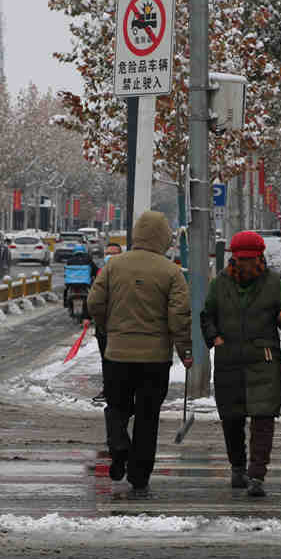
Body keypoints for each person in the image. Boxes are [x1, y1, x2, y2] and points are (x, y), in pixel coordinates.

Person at [87, 211, 193, 499]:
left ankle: (118, 442)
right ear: (162, 238)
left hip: (117, 354)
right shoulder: (171, 271)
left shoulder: (113, 266)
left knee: (117, 406)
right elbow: (179, 317)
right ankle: (139, 475)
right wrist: (185, 351)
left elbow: (94, 302)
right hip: (154, 359)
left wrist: (109, 327)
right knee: (148, 417)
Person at [200, 231, 281, 498]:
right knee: (231, 417)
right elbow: (207, 314)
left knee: (263, 419)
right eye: (241, 258)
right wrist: (213, 337)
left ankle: (257, 475)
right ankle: (237, 467)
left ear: (260, 257)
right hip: (228, 358)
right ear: (233, 257)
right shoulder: (220, 283)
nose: (245, 264)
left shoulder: (277, 283)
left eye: (251, 259)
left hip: (263, 360)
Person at [92, 242, 123, 406]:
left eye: (114, 253)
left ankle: (122, 390)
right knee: (106, 359)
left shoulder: (127, 274)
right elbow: (93, 300)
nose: (110, 256)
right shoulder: (100, 273)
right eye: (108, 253)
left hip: (122, 327)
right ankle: (108, 389)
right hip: (104, 327)